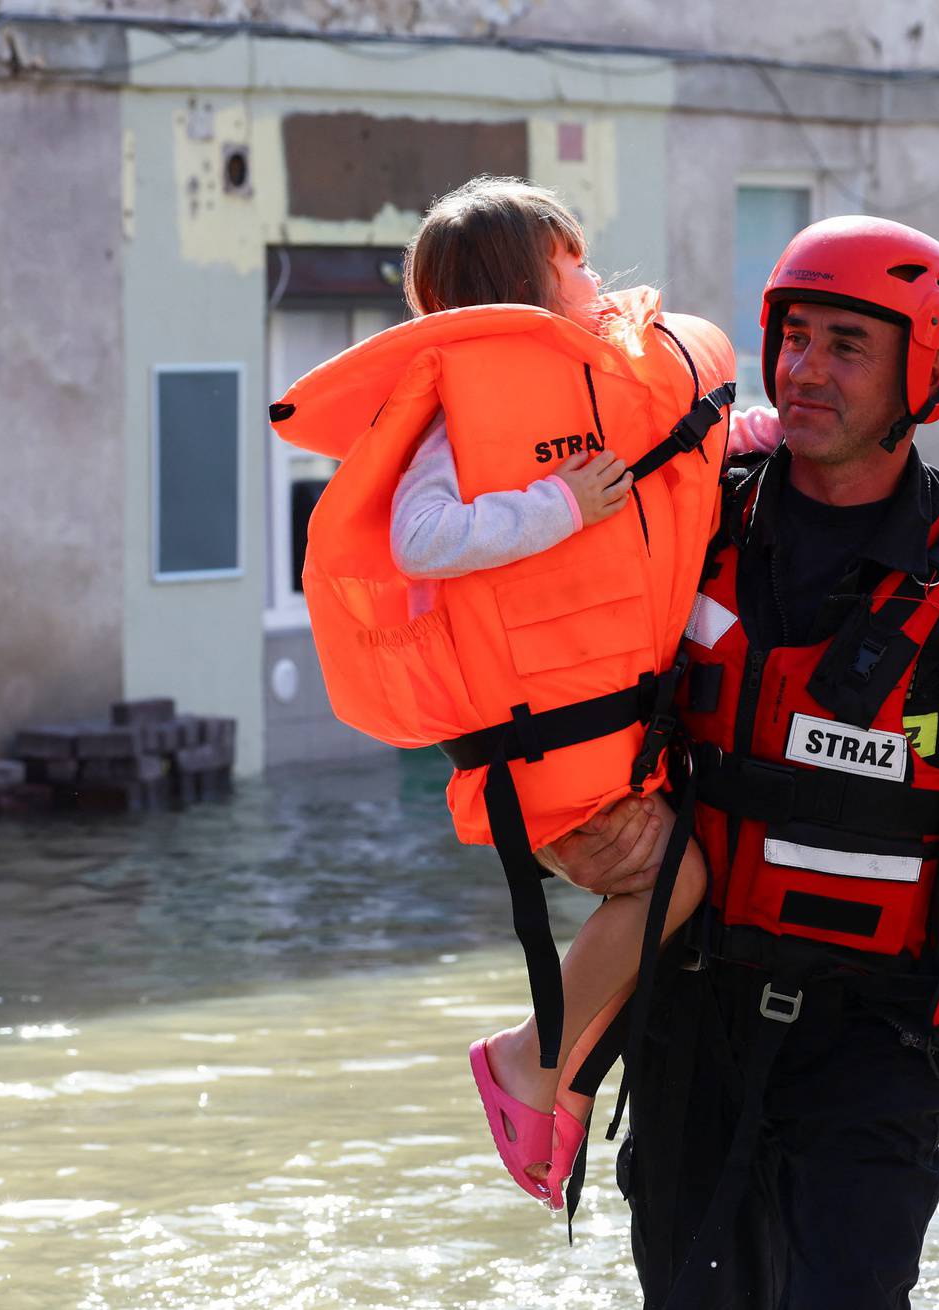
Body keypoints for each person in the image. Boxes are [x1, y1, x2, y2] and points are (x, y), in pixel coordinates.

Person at [539, 215, 939, 1306]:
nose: (805, 369)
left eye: (847, 345)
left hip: (879, 1036)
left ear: (925, 371)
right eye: (793, 338)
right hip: (689, 1016)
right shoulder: (697, 520)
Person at [269, 177, 780, 1210]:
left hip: (611, 738)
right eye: (575, 262)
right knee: (675, 882)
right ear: (524, 288)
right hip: (553, 761)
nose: (597, 278)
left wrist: (761, 439)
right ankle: (528, 1061)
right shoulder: (462, 416)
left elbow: (669, 472)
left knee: (690, 881)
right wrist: (558, 503)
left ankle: (568, 1074)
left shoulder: (596, 390)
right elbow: (422, 535)